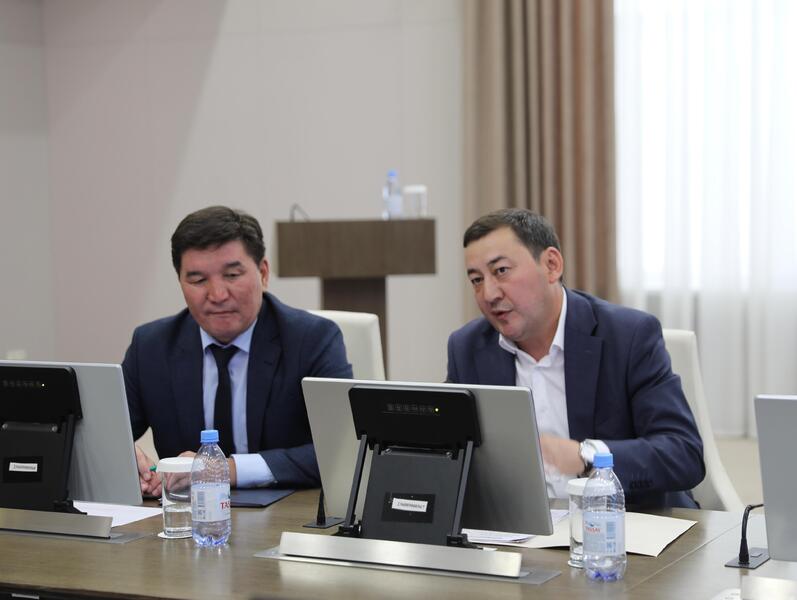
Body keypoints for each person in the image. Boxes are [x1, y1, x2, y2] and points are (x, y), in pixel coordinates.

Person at [447, 208, 705, 508]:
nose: (489, 294)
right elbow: (451, 452)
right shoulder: (468, 348)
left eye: (501, 271)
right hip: (523, 527)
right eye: (476, 280)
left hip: (627, 522)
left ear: (551, 265)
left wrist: (586, 456)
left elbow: (682, 454)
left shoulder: (629, 336)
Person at [123, 206, 352, 496]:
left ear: (263, 274)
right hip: (187, 515)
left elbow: (341, 450)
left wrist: (224, 470)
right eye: (198, 280)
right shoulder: (151, 347)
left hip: (288, 513)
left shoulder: (312, 340)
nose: (217, 295)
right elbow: (105, 434)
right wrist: (128, 459)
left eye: (232, 275)